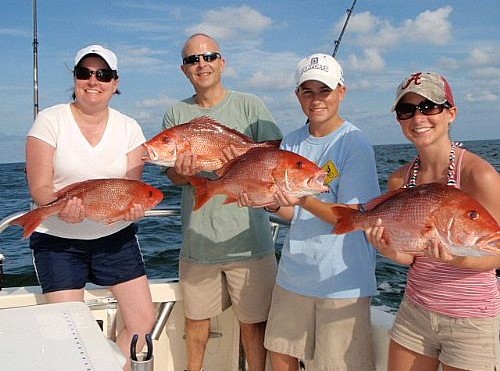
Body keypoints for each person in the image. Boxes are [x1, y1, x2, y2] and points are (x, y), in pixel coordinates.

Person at [25, 44, 155, 370]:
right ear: (75, 79)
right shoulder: (48, 121)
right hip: (58, 241)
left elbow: (132, 189)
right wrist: (57, 208)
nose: (93, 81)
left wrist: (135, 210)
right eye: (84, 73)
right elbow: (40, 187)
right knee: (68, 331)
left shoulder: (130, 129)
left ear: (115, 82)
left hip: (116, 239)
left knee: (142, 322)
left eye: (103, 74)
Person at [162, 33, 283, 371]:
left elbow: (274, 155)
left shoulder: (250, 105)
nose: (202, 64)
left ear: (222, 63)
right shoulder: (176, 113)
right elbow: (173, 175)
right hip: (199, 241)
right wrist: (187, 171)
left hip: (250, 242)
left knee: (254, 322)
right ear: (184, 69)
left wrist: (236, 163)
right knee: (196, 319)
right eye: (192, 60)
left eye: (209, 56)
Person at [364, 71, 500, 371]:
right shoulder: (400, 179)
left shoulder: (480, 176)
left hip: (470, 320)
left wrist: (456, 259)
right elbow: (409, 256)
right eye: (407, 110)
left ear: (451, 113)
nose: (418, 117)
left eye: (429, 106)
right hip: (415, 309)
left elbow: (497, 253)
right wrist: (387, 249)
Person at [256, 53, 380, 371]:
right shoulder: (292, 142)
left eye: (323, 90)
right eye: (307, 91)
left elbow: (353, 218)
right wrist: (270, 201)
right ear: (297, 95)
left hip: (341, 282)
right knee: (281, 355)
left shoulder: (354, 144)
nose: (316, 100)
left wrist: (302, 199)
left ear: (341, 92)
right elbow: (290, 214)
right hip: (293, 274)